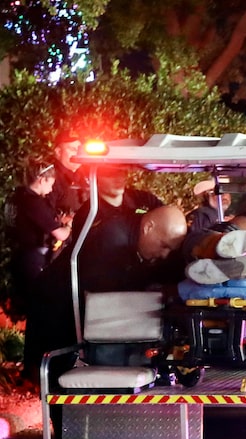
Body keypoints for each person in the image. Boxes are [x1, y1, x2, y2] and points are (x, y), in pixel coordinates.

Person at [22, 205, 188, 384]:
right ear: (148, 227)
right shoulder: (111, 239)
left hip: (77, 310)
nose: (165, 254)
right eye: (164, 246)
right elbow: (113, 296)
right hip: (56, 309)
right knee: (61, 382)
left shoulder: (135, 236)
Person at [5, 159, 71, 313]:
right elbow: (61, 235)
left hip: (22, 256)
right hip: (35, 259)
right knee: (42, 305)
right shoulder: (33, 202)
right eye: (50, 184)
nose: (50, 189)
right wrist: (69, 225)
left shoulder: (18, 197)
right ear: (42, 180)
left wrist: (58, 221)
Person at [48, 130, 86, 219]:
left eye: (79, 149)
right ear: (58, 152)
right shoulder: (50, 178)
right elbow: (45, 216)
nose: (77, 153)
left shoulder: (88, 175)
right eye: (72, 149)